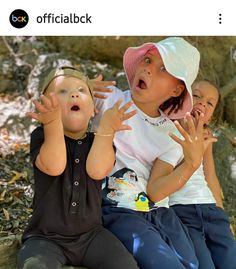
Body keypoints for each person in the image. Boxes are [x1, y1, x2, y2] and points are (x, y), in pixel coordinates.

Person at [92, 37, 209, 269]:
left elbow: (155, 191)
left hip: (160, 213)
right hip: (119, 209)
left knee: (192, 264)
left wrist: (191, 164)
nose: (147, 67)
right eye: (147, 59)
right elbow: (59, 90)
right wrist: (81, 83)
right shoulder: (110, 98)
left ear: (177, 89)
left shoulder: (172, 132)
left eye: (163, 68)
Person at [17, 66, 139, 269]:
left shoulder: (98, 141)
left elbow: (97, 170)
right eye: (62, 91)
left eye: (82, 91)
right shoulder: (42, 136)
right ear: (44, 106)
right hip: (45, 238)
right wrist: (53, 123)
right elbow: (54, 166)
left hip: (91, 236)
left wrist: (106, 130)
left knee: (126, 265)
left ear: (93, 110)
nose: (73, 93)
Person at [169, 80, 236, 269]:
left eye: (209, 103)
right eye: (197, 95)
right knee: (203, 264)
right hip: (181, 212)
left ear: (211, 116)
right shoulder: (168, 129)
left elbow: (210, 176)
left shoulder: (206, 135)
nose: (202, 103)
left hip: (210, 210)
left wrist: (221, 212)